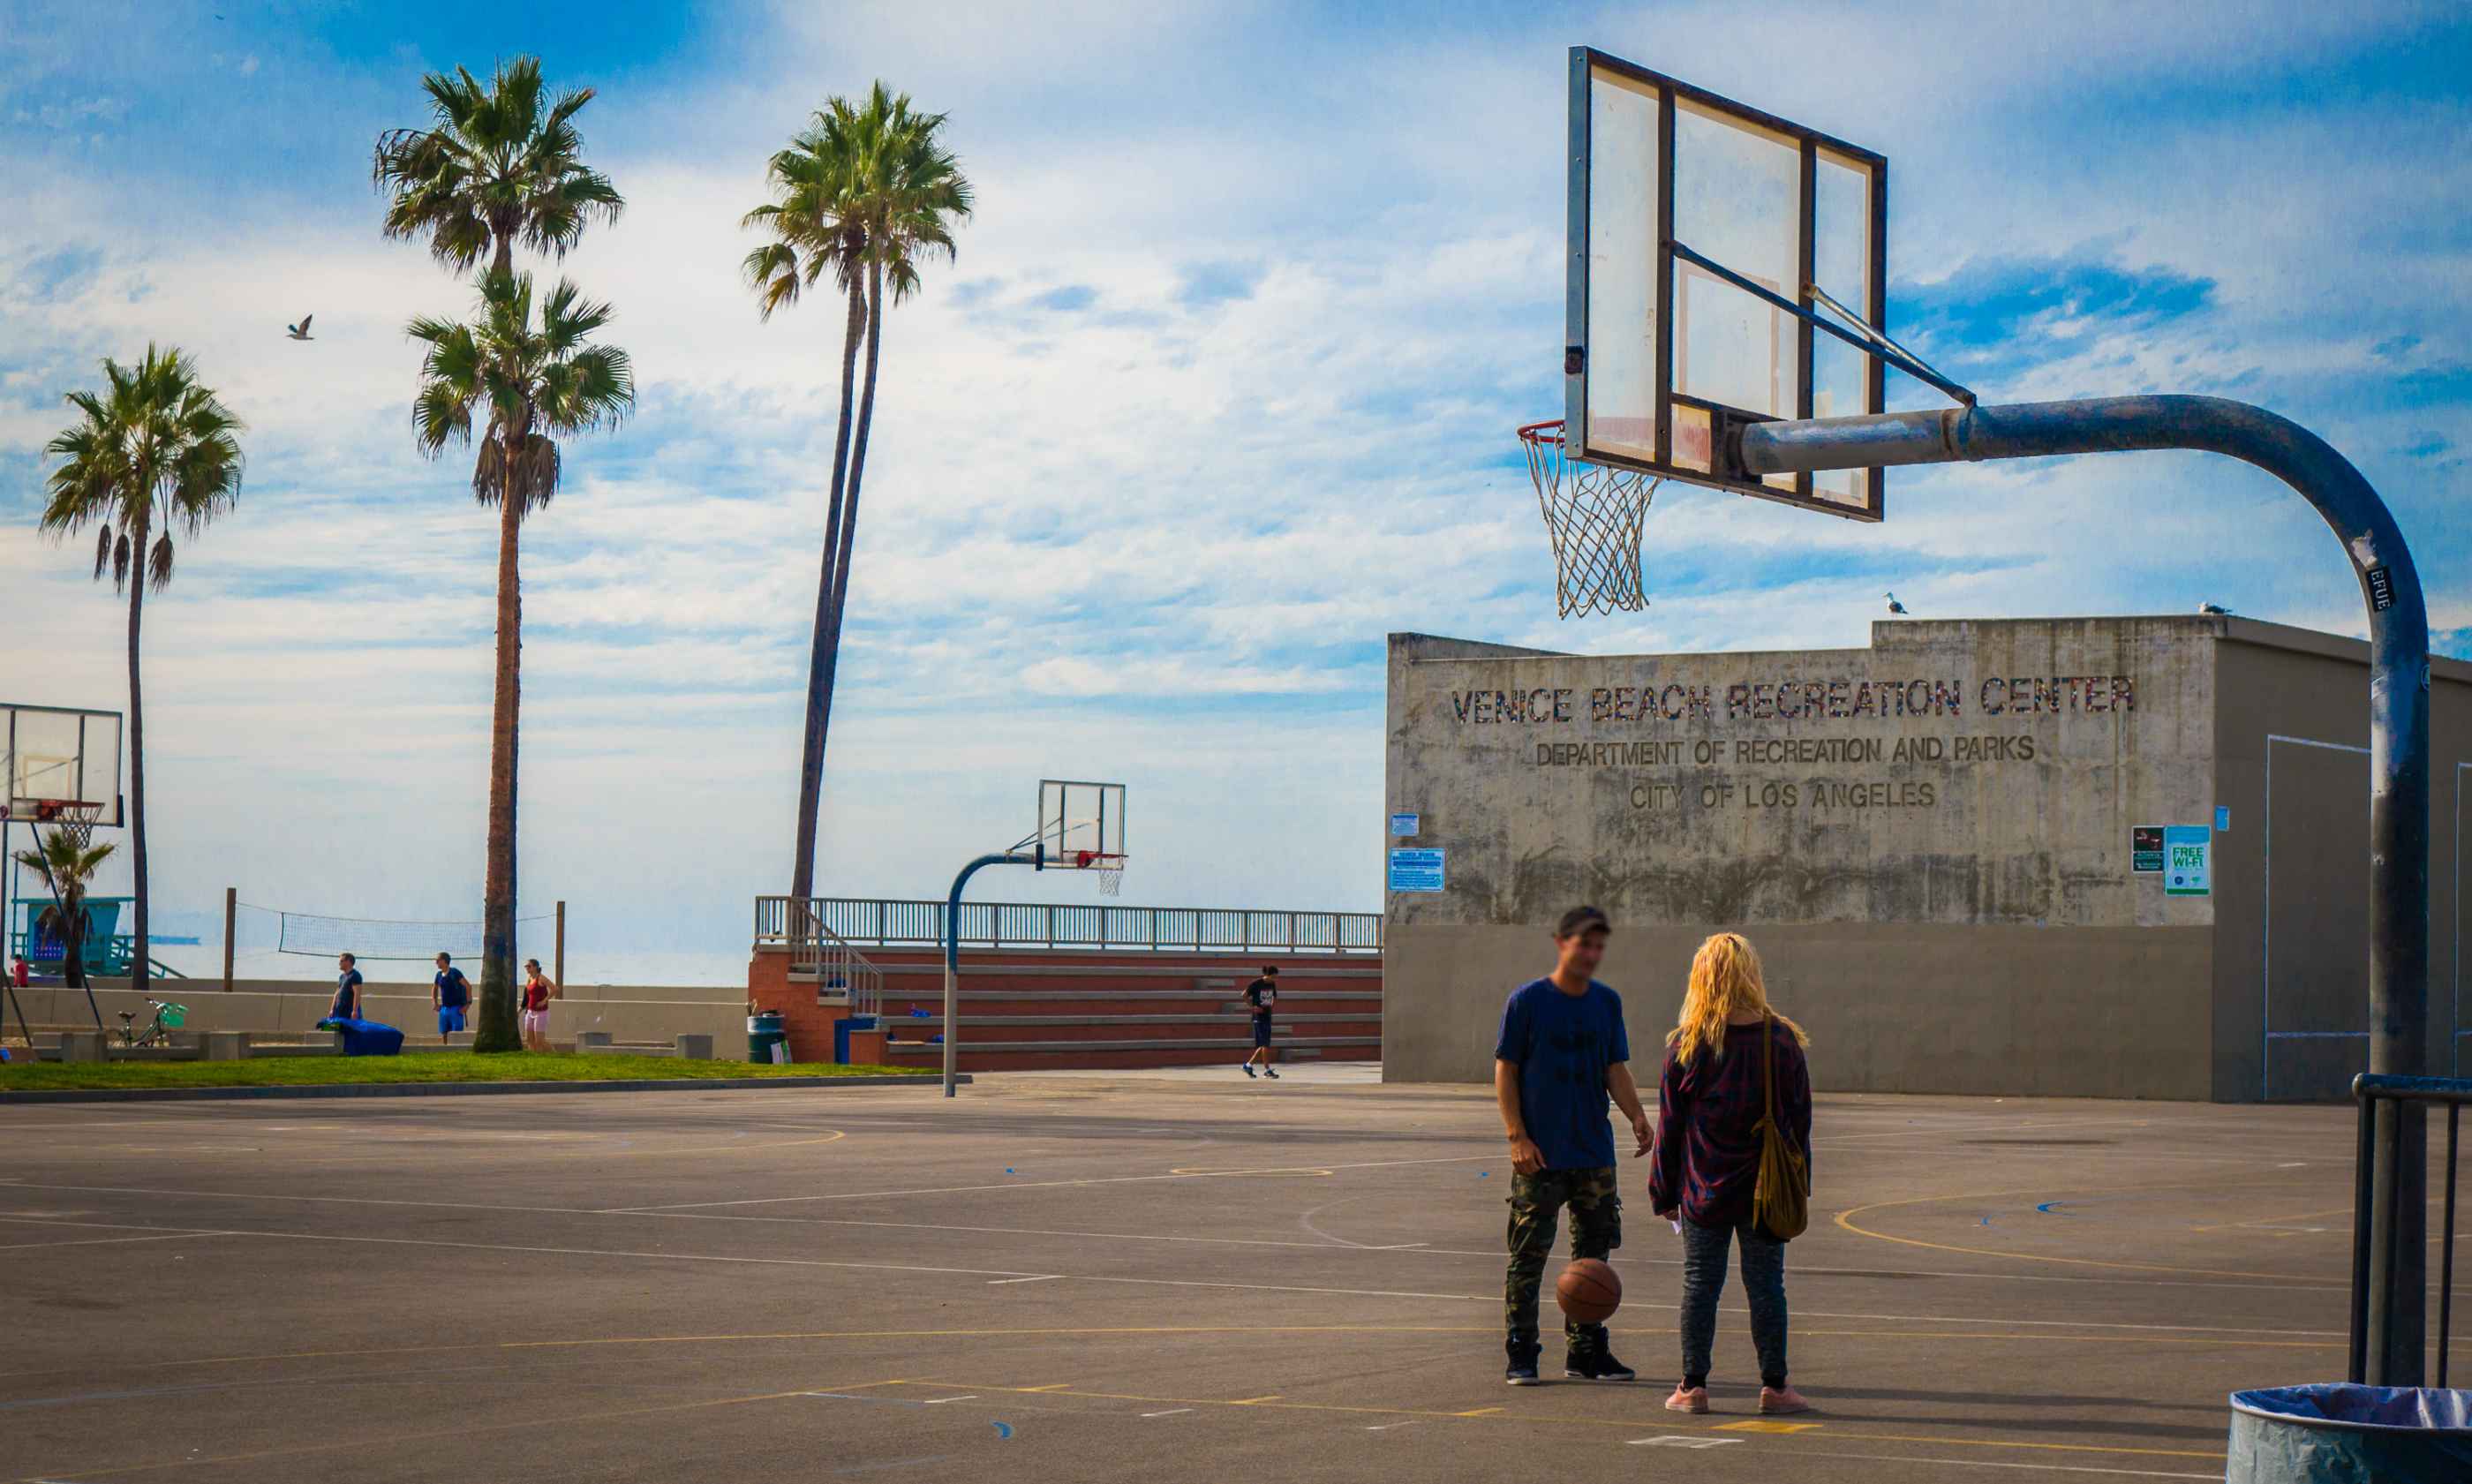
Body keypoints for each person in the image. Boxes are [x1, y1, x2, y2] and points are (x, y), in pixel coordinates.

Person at [1649, 932, 1814, 1417]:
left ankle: (1693, 1386)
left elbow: (1670, 1128)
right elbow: (1799, 1123)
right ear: (1751, 975)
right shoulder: (1780, 1040)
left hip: (1704, 1190)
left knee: (1700, 1283)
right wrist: (1799, 1187)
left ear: (1702, 979)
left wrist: (1664, 1191)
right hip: (1766, 1191)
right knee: (1767, 1286)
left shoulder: (1689, 1044)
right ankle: (1776, 1386)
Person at [1495, 905, 1654, 1386]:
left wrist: (1638, 1115)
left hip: (1593, 1156)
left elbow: (1614, 1068)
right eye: (1584, 943)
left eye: (1599, 946)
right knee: (1528, 1257)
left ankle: (1585, 1352)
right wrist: (1517, 1136)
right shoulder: (1527, 1002)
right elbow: (1507, 1070)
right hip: (1540, 1156)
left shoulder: (1606, 1002)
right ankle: (1521, 1351)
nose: (1591, 953)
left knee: (1593, 1260)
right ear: (1562, 942)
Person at [1240, 965, 1280, 1079]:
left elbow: (1274, 996)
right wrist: (1253, 1007)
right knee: (1265, 1044)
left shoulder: (1272, 984)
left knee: (1264, 1045)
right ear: (1267, 975)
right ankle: (1267, 1070)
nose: (1275, 979)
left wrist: (1272, 1004)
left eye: (1276, 977)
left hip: (1267, 1015)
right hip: (1259, 1017)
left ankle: (1248, 1065)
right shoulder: (1256, 983)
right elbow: (1244, 995)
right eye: (1273, 977)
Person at [432, 952, 473, 1044]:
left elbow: (468, 987)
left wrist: (467, 1005)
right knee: (444, 1032)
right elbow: (434, 988)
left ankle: (457, 1053)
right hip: (444, 1009)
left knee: (456, 1035)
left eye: (437, 960)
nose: (436, 963)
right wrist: (435, 1003)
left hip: (456, 1009)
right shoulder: (438, 975)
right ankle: (445, 1052)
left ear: (444, 961)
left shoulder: (455, 972)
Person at [521, 959, 560, 1051]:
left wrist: (544, 1001)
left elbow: (555, 989)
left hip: (541, 1013)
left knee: (540, 1041)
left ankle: (554, 1053)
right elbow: (527, 996)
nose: (527, 968)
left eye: (529, 966)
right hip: (530, 1011)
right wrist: (520, 1009)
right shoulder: (529, 978)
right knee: (529, 1039)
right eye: (526, 966)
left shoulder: (541, 978)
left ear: (535, 967)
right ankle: (534, 1057)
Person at [329, 953, 364, 1021]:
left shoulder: (355, 975)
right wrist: (332, 1009)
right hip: (339, 1011)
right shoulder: (342, 976)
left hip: (349, 1012)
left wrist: (354, 1011)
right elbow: (337, 994)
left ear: (348, 962)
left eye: (341, 961)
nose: (339, 963)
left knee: (351, 1031)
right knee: (330, 1028)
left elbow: (357, 994)